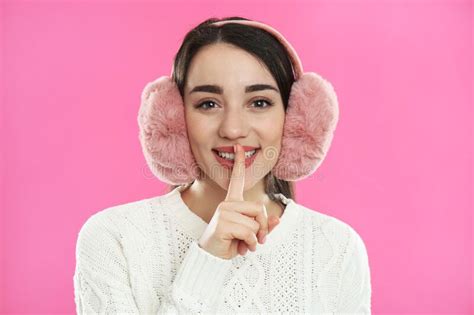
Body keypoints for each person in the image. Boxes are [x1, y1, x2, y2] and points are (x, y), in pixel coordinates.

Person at [73, 16, 372, 314]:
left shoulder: (338, 248)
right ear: (175, 120)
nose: (232, 129)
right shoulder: (112, 239)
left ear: (296, 120)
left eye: (259, 103)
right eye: (208, 104)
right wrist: (207, 257)